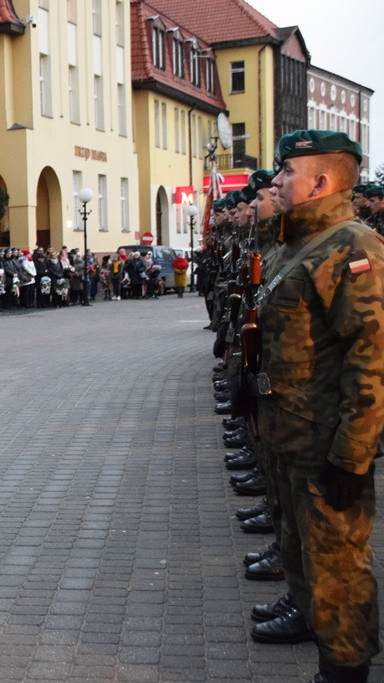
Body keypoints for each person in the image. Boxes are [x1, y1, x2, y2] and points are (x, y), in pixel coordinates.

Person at [257, 130, 383, 683]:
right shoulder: (297, 243)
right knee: (302, 554)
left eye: (288, 171)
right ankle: (320, 641)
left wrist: (351, 458)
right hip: (290, 436)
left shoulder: (353, 247)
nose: (278, 180)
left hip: (326, 445)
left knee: (339, 569)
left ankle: (346, 670)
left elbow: (373, 360)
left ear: (322, 181)